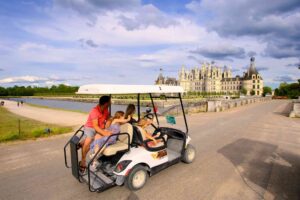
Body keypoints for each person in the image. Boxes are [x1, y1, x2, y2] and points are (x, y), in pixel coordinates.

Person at [80, 96, 111, 172]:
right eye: (110, 101)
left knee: (100, 141)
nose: (111, 103)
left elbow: (108, 117)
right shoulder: (94, 111)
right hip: (90, 127)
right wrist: (104, 133)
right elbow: (95, 126)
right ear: (106, 103)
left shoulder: (106, 110)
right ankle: (83, 160)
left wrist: (110, 120)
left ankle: (97, 158)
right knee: (88, 142)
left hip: (99, 128)